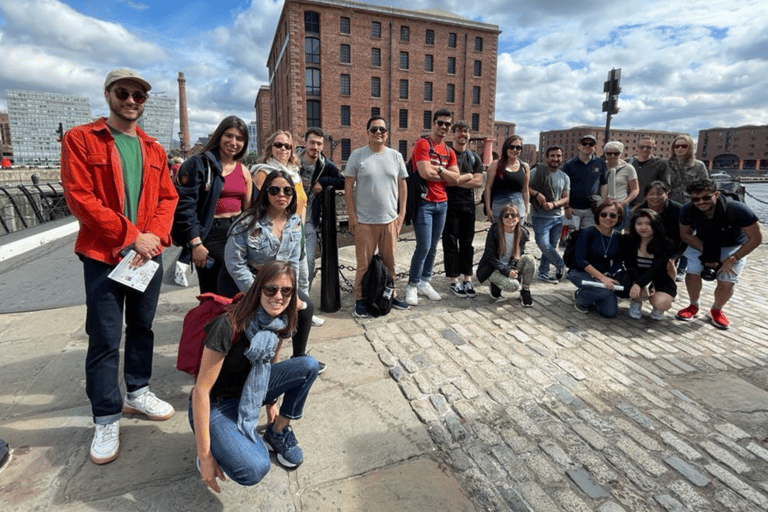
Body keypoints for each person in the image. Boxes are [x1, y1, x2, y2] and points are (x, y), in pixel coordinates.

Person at [61, 68, 179, 465]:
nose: (131, 101)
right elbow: (81, 198)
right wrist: (132, 237)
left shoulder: (154, 149)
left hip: (147, 255)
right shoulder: (81, 139)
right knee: (105, 337)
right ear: (109, 94)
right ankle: (106, 415)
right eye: (124, 93)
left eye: (139, 96)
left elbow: (167, 198)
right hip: (104, 255)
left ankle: (137, 391)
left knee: (143, 327)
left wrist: (154, 239)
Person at [191, 260, 319, 492]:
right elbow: (201, 391)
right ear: (258, 289)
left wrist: (272, 405)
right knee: (254, 468)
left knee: (308, 365)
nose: (278, 296)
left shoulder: (279, 321)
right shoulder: (228, 325)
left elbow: (271, 362)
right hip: (218, 404)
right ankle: (217, 444)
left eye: (286, 290)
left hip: (251, 389)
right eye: (271, 289)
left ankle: (277, 433)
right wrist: (206, 455)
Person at [222, 170, 321, 370]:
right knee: (262, 315)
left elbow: (292, 263)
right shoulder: (248, 222)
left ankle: (297, 358)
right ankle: (253, 362)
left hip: (278, 283)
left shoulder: (294, 222)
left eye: (287, 191)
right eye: (274, 190)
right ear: (265, 193)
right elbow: (234, 262)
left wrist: (291, 294)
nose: (281, 195)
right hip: (247, 280)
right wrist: (257, 292)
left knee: (305, 307)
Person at [173, 116, 252, 294]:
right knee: (212, 293)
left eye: (239, 139)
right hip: (210, 234)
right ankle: (213, 322)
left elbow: (248, 208)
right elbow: (185, 207)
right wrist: (195, 243)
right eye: (228, 136)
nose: (233, 142)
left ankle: (232, 323)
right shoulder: (199, 164)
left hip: (237, 233)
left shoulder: (243, 170)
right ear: (218, 136)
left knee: (236, 292)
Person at [344, 115, 411, 318]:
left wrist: (401, 214)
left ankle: (390, 294)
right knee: (363, 264)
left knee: (390, 263)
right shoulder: (357, 156)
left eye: (382, 130)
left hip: (389, 221)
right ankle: (360, 299)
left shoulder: (395, 156)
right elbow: (348, 187)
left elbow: (403, 185)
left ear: (387, 133)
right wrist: (352, 217)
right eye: (374, 130)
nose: (378, 133)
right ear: (368, 133)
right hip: (365, 222)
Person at [675, 179, 762, 329]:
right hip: (702, 243)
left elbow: (756, 238)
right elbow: (686, 235)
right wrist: (708, 253)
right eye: (696, 199)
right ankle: (693, 305)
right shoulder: (687, 209)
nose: (701, 202)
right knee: (692, 273)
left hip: (733, 245)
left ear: (716, 194)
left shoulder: (737, 209)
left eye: (706, 197)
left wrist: (733, 258)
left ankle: (716, 310)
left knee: (727, 281)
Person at [406, 108, 460, 305]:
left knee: (434, 247)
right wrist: (445, 173)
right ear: (433, 123)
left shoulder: (449, 151)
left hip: (442, 203)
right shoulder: (423, 144)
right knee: (423, 246)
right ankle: (412, 284)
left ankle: (425, 281)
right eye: (440, 123)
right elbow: (425, 173)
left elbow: (456, 179)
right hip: (425, 202)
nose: (443, 127)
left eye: (447, 124)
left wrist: (438, 170)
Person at [251, 131, 311, 298]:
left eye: (288, 146)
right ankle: (285, 312)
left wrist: (300, 227)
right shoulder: (263, 173)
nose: (283, 149)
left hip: (297, 231)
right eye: (278, 145)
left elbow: (302, 203)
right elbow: (258, 206)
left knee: (302, 276)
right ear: (271, 148)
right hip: (277, 232)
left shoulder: (294, 174)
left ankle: (301, 309)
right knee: (281, 277)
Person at [295, 128, 344, 293]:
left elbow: (341, 181)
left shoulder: (325, 165)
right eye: (312, 142)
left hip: (309, 219)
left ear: (322, 146)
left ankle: (304, 301)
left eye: (319, 143)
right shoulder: (292, 159)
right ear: (305, 143)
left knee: (308, 262)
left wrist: (322, 181)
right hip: (288, 218)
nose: (315, 147)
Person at [442, 120, 483, 298]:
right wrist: (466, 178)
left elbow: (479, 181)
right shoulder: (447, 155)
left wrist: (457, 180)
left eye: (465, 132)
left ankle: (468, 278)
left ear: (469, 135)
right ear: (453, 135)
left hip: (468, 205)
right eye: (458, 132)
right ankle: (453, 280)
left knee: (467, 242)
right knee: (450, 242)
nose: (462, 135)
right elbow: (446, 181)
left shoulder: (474, 157)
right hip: (449, 203)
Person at [568, 201, 624, 318]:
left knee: (609, 312)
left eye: (612, 215)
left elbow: (618, 261)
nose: (607, 218)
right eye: (604, 214)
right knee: (605, 291)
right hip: (581, 272)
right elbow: (580, 260)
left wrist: (609, 274)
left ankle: (594, 295)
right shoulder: (588, 232)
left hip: (604, 275)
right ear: (598, 215)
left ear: (619, 218)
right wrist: (601, 277)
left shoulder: (618, 237)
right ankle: (581, 297)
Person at [621, 209, 677, 320]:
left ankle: (657, 308)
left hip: (659, 278)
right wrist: (638, 284)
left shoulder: (666, 243)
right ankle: (636, 302)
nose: (643, 227)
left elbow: (657, 268)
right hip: (636, 276)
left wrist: (647, 284)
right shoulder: (628, 240)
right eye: (639, 224)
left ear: (655, 225)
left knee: (662, 303)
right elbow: (629, 265)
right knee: (639, 293)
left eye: (648, 224)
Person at [476, 204, 536, 306]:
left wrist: (512, 268)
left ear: (518, 219)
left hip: (509, 265)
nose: (510, 218)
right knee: (513, 286)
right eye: (506, 215)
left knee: (529, 259)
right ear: (501, 218)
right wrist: (507, 271)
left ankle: (525, 291)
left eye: (513, 215)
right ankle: (495, 284)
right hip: (493, 267)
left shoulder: (522, 234)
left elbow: (518, 255)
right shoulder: (494, 232)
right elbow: (489, 257)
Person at [529, 145, 570, 284]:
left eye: (558, 156)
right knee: (543, 244)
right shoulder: (536, 172)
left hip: (557, 217)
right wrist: (537, 194)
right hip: (540, 216)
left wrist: (553, 204)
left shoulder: (564, 177)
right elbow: (524, 187)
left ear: (562, 158)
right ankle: (560, 264)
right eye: (552, 155)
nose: (555, 158)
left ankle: (543, 272)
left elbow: (566, 198)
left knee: (551, 247)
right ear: (547, 157)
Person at [563, 134, 608, 230]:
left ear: (595, 147)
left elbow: (604, 184)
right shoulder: (569, 165)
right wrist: (567, 207)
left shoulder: (600, 163)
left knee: (588, 238)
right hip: (573, 208)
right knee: (569, 238)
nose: (587, 146)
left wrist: (602, 204)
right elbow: (563, 187)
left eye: (591, 144)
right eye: (584, 143)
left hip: (592, 209)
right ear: (579, 146)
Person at [484, 135, 530, 223]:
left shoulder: (525, 167)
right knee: (499, 236)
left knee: (518, 236)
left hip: (518, 211)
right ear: (506, 147)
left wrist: (526, 211)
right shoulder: (496, 165)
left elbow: (525, 190)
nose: (515, 150)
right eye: (511, 147)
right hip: (499, 210)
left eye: (518, 147)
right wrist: (488, 209)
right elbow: (488, 188)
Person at [603, 141, 638, 231]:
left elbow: (635, 189)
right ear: (605, 153)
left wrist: (624, 203)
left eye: (616, 153)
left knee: (616, 233)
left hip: (620, 205)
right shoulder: (601, 166)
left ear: (621, 153)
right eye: (609, 153)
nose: (612, 156)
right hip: (602, 206)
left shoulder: (628, 168)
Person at [666, 134, 708, 205]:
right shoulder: (665, 164)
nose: (680, 148)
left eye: (684, 146)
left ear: (690, 148)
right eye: (676, 146)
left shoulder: (698, 165)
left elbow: (705, 186)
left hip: (690, 203)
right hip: (670, 204)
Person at [628, 136, 668, 206]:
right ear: (636, 147)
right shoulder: (628, 162)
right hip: (628, 203)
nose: (644, 149)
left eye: (648, 147)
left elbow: (665, 186)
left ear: (653, 149)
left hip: (649, 204)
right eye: (642, 147)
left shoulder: (660, 164)